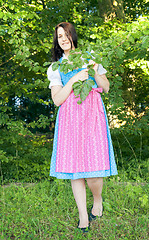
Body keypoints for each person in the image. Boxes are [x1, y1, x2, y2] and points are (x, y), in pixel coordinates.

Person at [47, 22, 118, 233]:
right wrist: (74, 79)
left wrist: (95, 71)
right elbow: (58, 99)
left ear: (73, 36)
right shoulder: (55, 67)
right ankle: (83, 216)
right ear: (57, 41)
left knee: (94, 174)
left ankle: (97, 199)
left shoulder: (89, 56)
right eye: (59, 36)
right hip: (69, 120)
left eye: (66, 34)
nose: (63, 38)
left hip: (92, 115)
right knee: (75, 171)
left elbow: (105, 87)